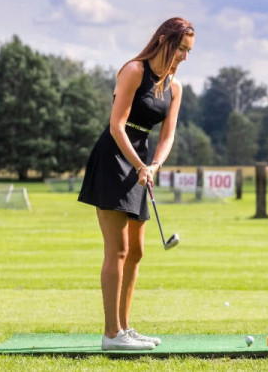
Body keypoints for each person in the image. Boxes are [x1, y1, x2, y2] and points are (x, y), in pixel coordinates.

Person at [78, 17, 194, 350]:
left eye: (189, 51)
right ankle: (111, 334)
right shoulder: (133, 70)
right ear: (164, 41)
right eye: (182, 49)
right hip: (115, 158)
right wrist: (140, 164)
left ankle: (125, 329)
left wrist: (154, 165)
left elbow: (167, 135)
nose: (185, 57)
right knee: (118, 249)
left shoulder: (173, 86)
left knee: (137, 252)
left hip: (141, 162)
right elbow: (117, 125)